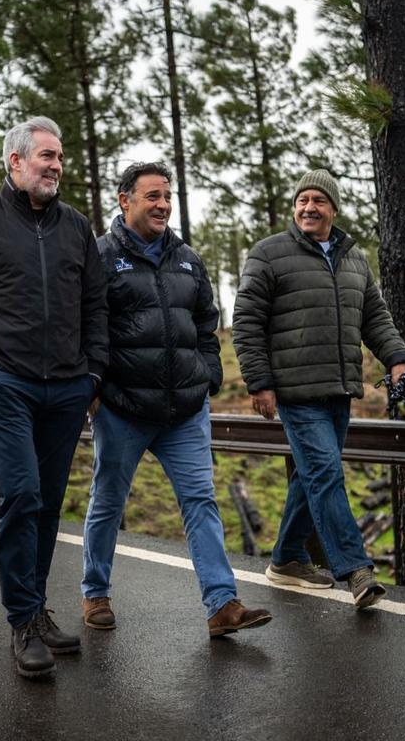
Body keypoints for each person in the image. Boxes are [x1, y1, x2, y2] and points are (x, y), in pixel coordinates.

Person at [0, 116, 107, 679]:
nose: (56, 166)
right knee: (22, 494)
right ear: (15, 162)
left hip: (68, 386)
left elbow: (96, 306)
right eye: (46, 157)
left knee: (50, 502)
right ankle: (22, 622)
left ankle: (36, 608)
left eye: (59, 158)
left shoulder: (76, 227)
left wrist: (94, 375)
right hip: (6, 383)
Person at [81, 162, 272, 638]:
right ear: (125, 201)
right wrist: (95, 389)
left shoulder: (187, 258)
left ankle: (222, 605)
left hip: (184, 409)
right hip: (122, 408)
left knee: (201, 501)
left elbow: (206, 323)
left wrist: (209, 375)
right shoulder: (99, 257)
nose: (163, 204)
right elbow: (86, 328)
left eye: (167, 195)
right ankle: (95, 592)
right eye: (152, 196)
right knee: (108, 501)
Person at [232, 169, 405, 609]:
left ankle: (286, 559)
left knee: (312, 477)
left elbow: (375, 317)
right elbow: (247, 322)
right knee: (327, 474)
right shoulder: (269, 254)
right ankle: (355, 569)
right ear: (295, 207)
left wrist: (398, 359)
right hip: (295, 391)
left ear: (333, 208)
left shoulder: (354, 258)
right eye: (302, 200)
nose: (309, 207)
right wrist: (259, 382)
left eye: (318, 200)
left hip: (338, 390)